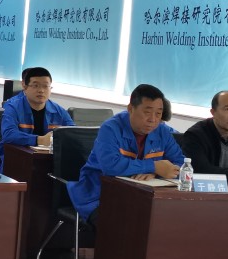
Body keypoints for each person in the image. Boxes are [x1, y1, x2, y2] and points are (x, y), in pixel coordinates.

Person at [68, 84, 185, 227]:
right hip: (100, 195)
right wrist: (153, 166)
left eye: (158, 114)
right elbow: (111, 166)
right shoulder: (110, 128)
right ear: (131, 108)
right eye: (147, 112)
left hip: (142, 197)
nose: (153, 119)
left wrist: (156, 173)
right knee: (128, 225)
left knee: (170, 222)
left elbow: (182, 165)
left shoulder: (163, 131)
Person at [0, 67, 75, 160]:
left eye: (45, 86)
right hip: (16, 158)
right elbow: (9, 135)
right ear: (25, 87)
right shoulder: (13, 107)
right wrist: (40, 140)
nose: (41, 90)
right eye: (35, 86)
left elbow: (73, 134)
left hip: (49, 160)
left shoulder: (59, 111)